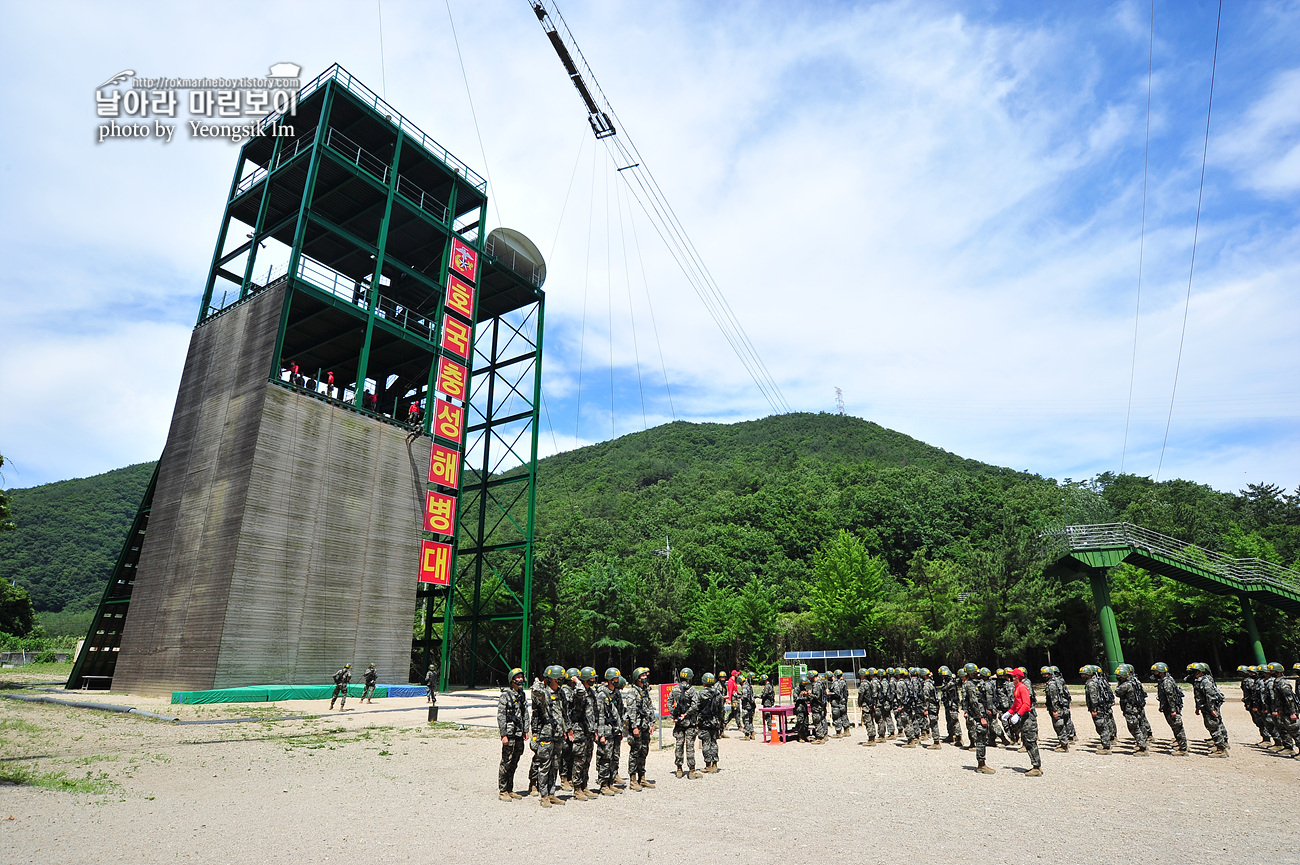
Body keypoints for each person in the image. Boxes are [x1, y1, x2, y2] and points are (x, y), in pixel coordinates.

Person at [532, 664, 571, 806]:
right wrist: (538, 682)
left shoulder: (561, 693)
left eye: (561, 678)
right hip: (546, 735)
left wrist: (568, 730)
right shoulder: (544, 693)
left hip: (559, 734)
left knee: (555, 765)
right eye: (557, 679)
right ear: (549, 679)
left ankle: (551, 793)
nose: (560, 681)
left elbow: (565, 714)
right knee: (545, 766)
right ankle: (544, 796)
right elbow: (535, 690)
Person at [1001, 668, 1041, 776]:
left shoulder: (1022, 688)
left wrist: (1018, 714)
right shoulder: (1017, 688)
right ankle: (1035, 765)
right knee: (1028, 742)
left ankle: (1036, 767)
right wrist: (1009, 712)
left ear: (1017, 677)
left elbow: (1026, 704)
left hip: (1028, 718)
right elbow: (1016, 704)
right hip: (1023, 718)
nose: (1009, 678)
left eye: (1012, 676)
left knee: (1030, 742)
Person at [497, 668, 529, 800]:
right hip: (509, 734)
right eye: (518, 677)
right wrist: (503, 735)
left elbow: (525, 713)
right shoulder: (506, 695)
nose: (520, 679)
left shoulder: (522, 695)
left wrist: (526, 729)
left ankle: (510, 789)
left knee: (515, 761)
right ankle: (503, 790)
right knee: (506, 762)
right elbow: (501, 716)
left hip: (519, 733)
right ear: (512, 680)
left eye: (522, 677)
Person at [1188, 662, 1229, 757]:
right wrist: (1198, 708)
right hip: (1205, 708)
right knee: (1211, 726)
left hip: (1209, 708)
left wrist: (1212, 709)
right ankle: (1219, 745)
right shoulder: (1199, 680)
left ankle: (1221, 750)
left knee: (1214, 726)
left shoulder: (1205, 681)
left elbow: (1210, 696)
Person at [568, 667, 597, 799]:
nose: (592, 681)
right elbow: (580, 691)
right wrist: (578, 682)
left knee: (587, 760)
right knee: (579, 760)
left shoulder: (592, 693)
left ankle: (585, 785)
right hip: (579, 729)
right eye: (590, 679)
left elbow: (595, 713)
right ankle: (577, 788)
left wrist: (595, 729)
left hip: (589, 731)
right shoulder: (578, 692)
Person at [593, 668, 623, 795]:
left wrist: (620, 729)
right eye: (616, 678)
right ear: (610, 680)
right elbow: (599, 715)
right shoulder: (602, 694)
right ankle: (604, 784)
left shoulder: (616, 693)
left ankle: (611, 781)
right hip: (605, 729)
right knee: (605, 757)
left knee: (614, 757)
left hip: (615, 729)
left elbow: (620, 711)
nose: (618, 680)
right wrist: (601, 734)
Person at [960, 664, 993, 773]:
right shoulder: (970, 685)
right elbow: (974, 702)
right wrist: (981, 717)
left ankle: (982, 763)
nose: (978, 673)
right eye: (975, 672)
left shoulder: (976, 683)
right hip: (979, 716)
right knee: (981, 739)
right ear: (970, 673)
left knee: (983, 738)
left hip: (982, 713)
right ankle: (981, 765)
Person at [628, 667, 657, 788]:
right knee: (635, 752)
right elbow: (631, 711)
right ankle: (633, 780)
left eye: (646, 675)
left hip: (645, 726)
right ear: (637, 678)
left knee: (644, 751)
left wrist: (651, 723)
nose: (645, 677)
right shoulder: (633, 692)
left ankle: (642, 777)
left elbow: (650, 708)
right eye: (643, 676)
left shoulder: (645, 691)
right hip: (637, 727)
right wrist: (634, 726)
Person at [669, 667, 701, 778]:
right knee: (690, 746)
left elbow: (669, 701)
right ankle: (691, 771)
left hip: (678, 722)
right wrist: (686, 715)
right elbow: (695, 705)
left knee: (679, 745)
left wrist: (674, 714)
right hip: (689, 722)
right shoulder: (692, 690)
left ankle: (679, 769)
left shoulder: (675, 689)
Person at [1151, 662, 1188, 755]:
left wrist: (1173, 710)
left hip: (1171, 708)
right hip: (1168, 707)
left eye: (1156, 672)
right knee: (1175, 727)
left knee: (1177, 727)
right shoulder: (1164, 680)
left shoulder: (1166, 682)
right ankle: (1181, 745)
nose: (1154, 674)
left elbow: (1170, 697)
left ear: (1161, 672)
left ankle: (1183, 749)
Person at [1114, 664, 1150, 755]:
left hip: (1130, 709)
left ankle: (1142, 747)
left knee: (1134, 728)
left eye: (1119, 676)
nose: (1117, 677)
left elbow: (1117, 692)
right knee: (1141, 726)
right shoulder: (1135, 682)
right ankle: (1143, 742)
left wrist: (1119, 684)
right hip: (1138, 707)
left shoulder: (1125, 685)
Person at [1266, 662, 1298, 756]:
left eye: (1273, 671)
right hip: (1283, 710)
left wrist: (1293, 712)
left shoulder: (1283, 683)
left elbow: (1290, 699)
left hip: (1289, 711)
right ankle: (1288, 747)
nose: (1271, 672)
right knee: (1285, 729)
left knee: (1295, 730)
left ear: (1278, 671)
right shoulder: (1276, 682)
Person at [558, 667, 580, 790]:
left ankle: (570, 777)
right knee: (565, 753)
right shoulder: (565, 691)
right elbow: (564, 711)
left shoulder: (573, 690)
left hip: (574, 726)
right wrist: (566, 728)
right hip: (567, 726)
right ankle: (564, 778)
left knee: (573, 753)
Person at [698, 673, 721, 772]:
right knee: (714, 742)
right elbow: (721, 709)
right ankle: (715, 764)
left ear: (704, 682)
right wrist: (721, 721)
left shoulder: (700, 694)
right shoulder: (718, 694)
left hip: (704, 722)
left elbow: (696, 708)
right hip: (715, 721)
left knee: (706, 743)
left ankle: (708, 765)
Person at [1042, 666, 1068, 752]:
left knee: (1059, 725)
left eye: (1045, 674)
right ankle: (1062, 742)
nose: (1043, 676)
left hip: (1056, 708)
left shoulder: (1052, 684)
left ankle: (1064, 746)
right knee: (1058, 725)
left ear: (1049, 674)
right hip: (1055, 708)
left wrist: (1055, 710)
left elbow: (1054, 699)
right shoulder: (1052, 682)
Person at [938, 667, 962, 748]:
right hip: (948, 704)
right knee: (948, 719)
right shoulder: (948, 682)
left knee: (954, 721)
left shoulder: (951, 683)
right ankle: (951, 735)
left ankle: (959, 738)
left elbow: (944, 689)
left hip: (953, 705)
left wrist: (952, 679)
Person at [739, 673, 756, 739]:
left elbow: (745, 696)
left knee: (746, 719)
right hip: (751, 705)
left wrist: (739, 697)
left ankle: (747, 735)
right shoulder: (749, 685)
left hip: (746, 706)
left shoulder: (744, 686)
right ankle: (752, 733)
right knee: (750, 720)